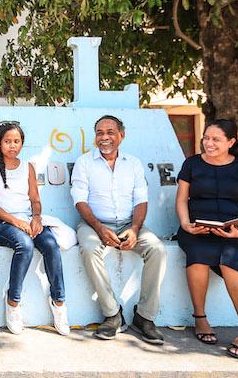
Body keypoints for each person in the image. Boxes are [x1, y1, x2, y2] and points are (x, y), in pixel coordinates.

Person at [70, 115, 167, 345]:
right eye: (100, 133)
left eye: (110, 132)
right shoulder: (84, 163)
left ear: (121, 135)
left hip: (128, 223)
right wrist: (99, 228)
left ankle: (144, 317)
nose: (105, 137)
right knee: (89, 249)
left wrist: (134, 229)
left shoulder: (132, 163)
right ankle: (112, 314)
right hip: (93, 223)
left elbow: (141, 200)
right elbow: (80, 200)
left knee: (157, 249)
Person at [175, 119, 238, 360]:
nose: (208, 143)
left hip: (233, 229)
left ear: (231, 142)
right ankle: (200, 318)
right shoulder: (191, 164)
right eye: (206, 138)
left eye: (215, 139)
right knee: (198, 257)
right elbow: (182, 200)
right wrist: (185, 225)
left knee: (230, 261)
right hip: (197, 228)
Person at [0, 121, 69, 335]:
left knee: (50, 244)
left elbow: (35, 199)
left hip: (27, 220)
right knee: (25, 245)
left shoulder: (27, 166)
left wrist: (36, 218)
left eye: (16, 141)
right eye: (7, 141)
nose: (12, 145)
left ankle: (59, 303)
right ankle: (13, 301)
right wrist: (16, 222)